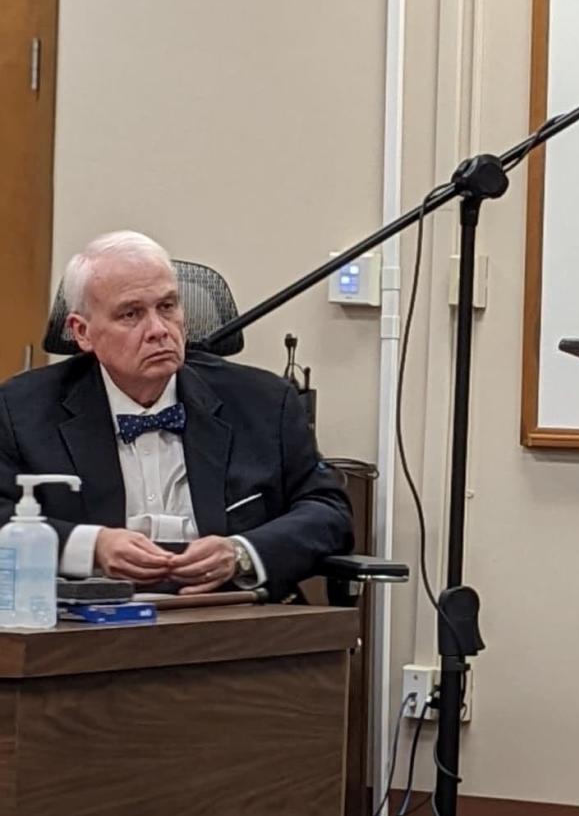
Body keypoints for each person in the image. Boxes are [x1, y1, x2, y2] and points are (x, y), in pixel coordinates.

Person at [0, 230, 352, 600]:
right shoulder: (21, 409)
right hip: (90, 628)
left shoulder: (264, 402)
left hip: (234, 615)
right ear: (82, 332)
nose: (158, 330)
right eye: (131, 314)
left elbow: (328, 512)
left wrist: (241, 553)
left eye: (167, 307)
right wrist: (91, 547)